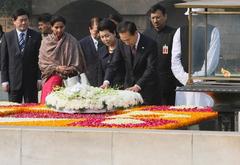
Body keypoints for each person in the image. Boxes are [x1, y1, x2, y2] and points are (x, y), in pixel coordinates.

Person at [101, 21, 159, 105]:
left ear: (135, 33)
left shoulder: (150, 44)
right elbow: (114, 64)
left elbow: (151, 68)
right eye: (123, 40)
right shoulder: (121, 43)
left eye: (128, 40)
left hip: (147, 89)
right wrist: (106, 82)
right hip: (128, 90)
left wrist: (138, 85)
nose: (126, 43)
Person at [171, 8, 220, 106]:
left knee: (205, 116)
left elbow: (211, 60)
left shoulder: (213, 31)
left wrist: (197, 79)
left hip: (205, 86)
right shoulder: (180, 31)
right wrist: (185, 79)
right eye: (192, 16)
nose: (193, 19)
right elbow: (175, 61)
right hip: (184, 86)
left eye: (196, 16)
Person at [39, 15, 86, 103]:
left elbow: (79, 63)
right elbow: (42, 63)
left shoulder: (72, 41)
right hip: (52, 77)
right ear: (51, 27)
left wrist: (69, 68)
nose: (59, 30)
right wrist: (57, 68)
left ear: (65, 27)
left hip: (71, 79)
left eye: (61, 27)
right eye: (56, 27)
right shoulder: (46, 42)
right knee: (49, 104)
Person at [1, 8, 42, 103]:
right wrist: (4, 80)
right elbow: (4, 61)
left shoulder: (36, 36)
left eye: (26, 20)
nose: (24, 23)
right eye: (21, 20)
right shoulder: (7, 37)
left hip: (31, 82)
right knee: (14, 111)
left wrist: (39, 78)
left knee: (32, 112)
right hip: (13, 82)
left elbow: (39, 59)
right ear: (14, 21)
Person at [143, 4, 177, 105]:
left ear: (165, 16)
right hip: (150, 82)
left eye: (158, 17)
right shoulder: (146, 34)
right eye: (153, 18)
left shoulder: (173, 33)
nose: (155, 20)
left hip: (168, 81)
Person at [98, 19, 125, 88]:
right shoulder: (101, 51)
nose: (105, 39)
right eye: (102, 37)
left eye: (107, 36)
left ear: (114, 33)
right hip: (107, 88)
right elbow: (101, 73)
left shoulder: (124, 46)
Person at [79, 17, 103, 87]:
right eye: (96, 31)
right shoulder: (82, 44)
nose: (99, 34)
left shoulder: (107, 43)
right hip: (88, 80)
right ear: (90, 29)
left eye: (100, 31)